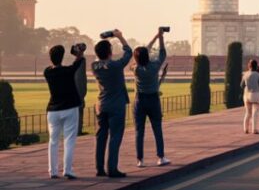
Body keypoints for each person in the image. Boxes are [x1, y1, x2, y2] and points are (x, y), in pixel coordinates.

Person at [92, 29, 132, 178]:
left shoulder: (94, 66)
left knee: (101, 137)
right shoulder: (115, 66)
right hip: (116, 105)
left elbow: (101, 58)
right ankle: (112, 168)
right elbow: (128, 52)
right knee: (115, 137)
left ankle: (99, 168)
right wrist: (120, 37)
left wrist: (104, 44)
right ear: (110, 52)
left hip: (102, 104)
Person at [44, 44, 85, 179]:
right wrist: (78, 52)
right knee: (69, 140)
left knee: (53, 141)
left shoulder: (48, 72)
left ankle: (53, 171)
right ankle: (67, 169)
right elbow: (79, 61)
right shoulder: (68, 71)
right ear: (62, 57)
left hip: (53, 110)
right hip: (70, 107)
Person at [132, 29, 169, 168]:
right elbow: (162, 53)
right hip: (153, 99)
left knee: (139, 131)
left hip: (140, 100)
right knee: (157, 129)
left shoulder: (135, 69)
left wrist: (155, 37)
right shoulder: (154, 66)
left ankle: (140, 160)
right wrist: (160, 38)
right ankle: (161, 157)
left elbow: (141, 54)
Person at [242, 59, 259, 134]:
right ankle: (254, 129)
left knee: (248, 113)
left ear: (249, 65)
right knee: (255, 113)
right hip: (256, 94)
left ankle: (246, 129)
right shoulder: (258, 75)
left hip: (247, 94)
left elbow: (242, 85)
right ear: (256, 66)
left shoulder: (245, 74)